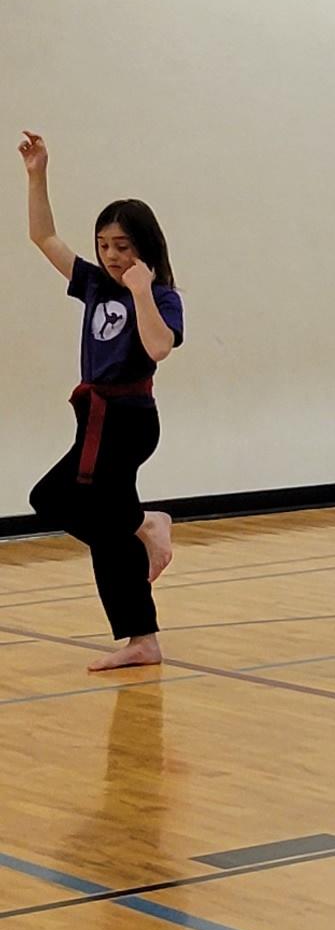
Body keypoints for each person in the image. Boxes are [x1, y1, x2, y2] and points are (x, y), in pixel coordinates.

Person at [20, 132, 184, 672]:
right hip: (94, 417)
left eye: (123, 246)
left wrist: (141, 291)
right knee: (102, 531)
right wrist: (38, 174)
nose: (112, 256)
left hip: (129, 420)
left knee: (53, 497)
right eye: (105, 245)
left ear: (145, 248)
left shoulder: (160, 296)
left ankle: (146, 525)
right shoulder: (93, 284)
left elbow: (158, 347)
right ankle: (142, 637)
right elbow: (43, 236)